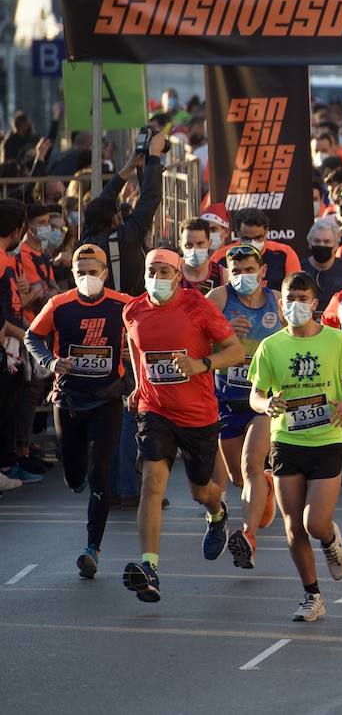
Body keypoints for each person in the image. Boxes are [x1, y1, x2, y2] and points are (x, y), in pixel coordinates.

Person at [121, 249, 244, 603]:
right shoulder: (133, 309)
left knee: (199, 491)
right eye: (151, 270)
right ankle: (150, 568)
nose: (157, 277)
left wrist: (201, 363)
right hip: (154, 409)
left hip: (197, 414)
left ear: (178, 275)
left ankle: (217, 512)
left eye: (164, 271)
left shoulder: (197, 306)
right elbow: (135, 345)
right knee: (151, 483)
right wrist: (138, 384)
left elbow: (234, 351)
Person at [248, 272, 342, 622]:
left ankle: (330, 540)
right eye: (289, 298)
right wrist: (266, 404)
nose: (295, 305)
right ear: (281, 304)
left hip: (327, 438)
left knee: (315, 522)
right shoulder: (271, 346)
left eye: (302, 298)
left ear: (315, 304)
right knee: (293, 526)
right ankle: (312, 595)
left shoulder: (335, 340)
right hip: (287, 440)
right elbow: (255, 393)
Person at [23, 244, 132, 577]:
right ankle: (76, 476)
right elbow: (32, 336)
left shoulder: (123, 304)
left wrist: (132, 351)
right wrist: (52, 362)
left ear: (105, 272)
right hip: (68, 398)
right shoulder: (60, 304)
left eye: (92, 270)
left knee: (100, 473)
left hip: (107, 398)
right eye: (80, 271)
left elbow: (145, 334)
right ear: (73, 274)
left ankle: (92, 549)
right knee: (74, 475)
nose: (87, 277)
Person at [206, 243, 281, 570]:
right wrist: (222, 336)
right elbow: (195, 344)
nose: (243, 277)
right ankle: (267, 485)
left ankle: (248, 537)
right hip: (226, 399)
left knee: (251, 465)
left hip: (262, 400)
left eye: (250, 270)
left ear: (263, 272)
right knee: (238, 478)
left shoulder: (279, 302)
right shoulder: (218, 300)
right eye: (236, 272)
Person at [80, 129, 167, 296]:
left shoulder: (86, 238)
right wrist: (154, 156)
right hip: (126, 307)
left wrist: (129, 167)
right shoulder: (126, 237)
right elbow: (150, 198)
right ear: (114, 219)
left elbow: (102, 202)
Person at [211, 208, 301, 291]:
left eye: (258, 238)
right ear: (238, 233)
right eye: (247, 239)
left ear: (266, 232)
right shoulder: (220, 258)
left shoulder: (285, 254)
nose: (253, 243)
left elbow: (297, 290)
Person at [178, 218, 226, 295]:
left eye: (200, 244)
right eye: (189, 245)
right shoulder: (173, 274)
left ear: (209, 243)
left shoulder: (222, 275)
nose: (194, 249)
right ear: (180, 245)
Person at [305, 220, 342, 299]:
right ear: (309, 243)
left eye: (327, 242)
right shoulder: (299, 268)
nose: (321, 245)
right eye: (317, 241)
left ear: (336, 245)